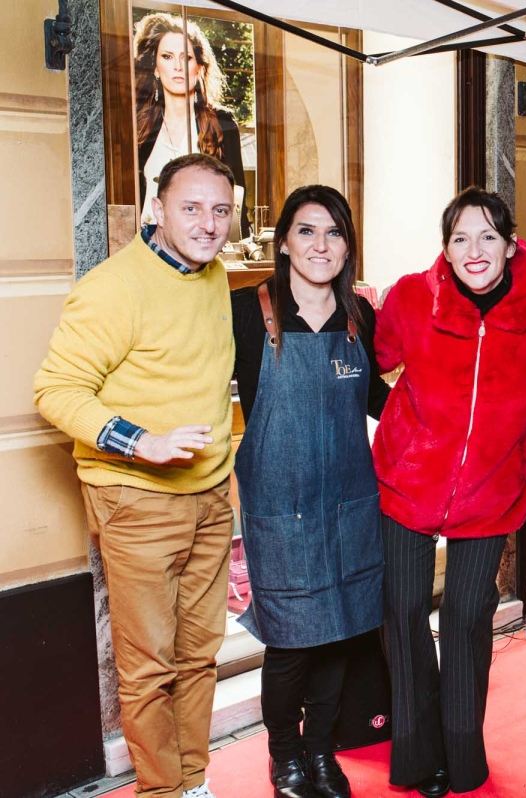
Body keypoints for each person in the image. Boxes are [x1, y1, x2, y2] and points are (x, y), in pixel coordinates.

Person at [34, 153, 239, 798]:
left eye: (221, 210)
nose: (208, 224)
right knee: (150, 667)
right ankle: (161, 791)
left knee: (199, 657)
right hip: (136, 500)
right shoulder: (115, 287)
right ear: (156, 208)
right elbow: (56, 390)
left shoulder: (212, 276)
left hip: (210, 496)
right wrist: (141, 442)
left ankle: (193, 782)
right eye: (191, 208)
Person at [372, 187, 526, 796]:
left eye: (488, 236)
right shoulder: (413, 296)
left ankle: (461, 755)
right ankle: (417, 753)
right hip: (408, 482)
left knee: (466, 617)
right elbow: (377, 357)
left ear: (512, 245)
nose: (474, 250)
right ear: (446, 247)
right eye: (460, 238)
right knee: (402, 612)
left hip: (494, 491)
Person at [230, 186, 390, 798]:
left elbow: (375, 399)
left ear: (348, 246)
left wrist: (439, 420)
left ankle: (322, 752)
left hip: (350, 503)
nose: (321, 245)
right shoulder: (249, 311)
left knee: (340, 634)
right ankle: (286, 758)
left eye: (334, 232)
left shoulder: (360, 318)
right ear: (284, 243)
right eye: (306, 230)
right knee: (291, 643)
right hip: (282, 510)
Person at [133, 12, 249, 235]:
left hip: (206, 241)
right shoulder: (139, 127)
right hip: (149, 244)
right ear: (155, 68)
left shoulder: (221, 123)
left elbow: (237, 200)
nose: (177, 66)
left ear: (199, 67)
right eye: (167, 56)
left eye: (185, 58)